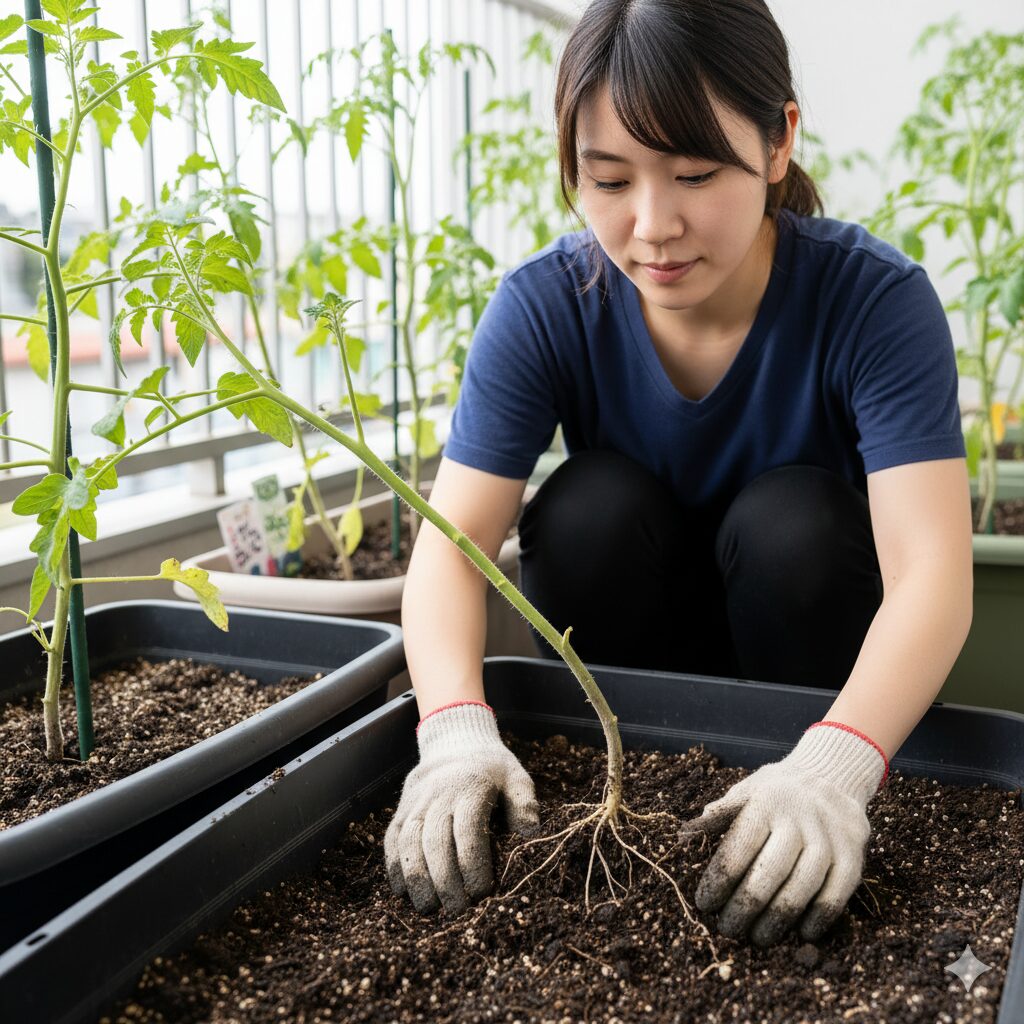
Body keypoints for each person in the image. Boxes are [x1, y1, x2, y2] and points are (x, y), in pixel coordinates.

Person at [385, 0, 973, 948]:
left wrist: (838, 765)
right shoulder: (545, 307)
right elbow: (451, 551)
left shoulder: (873, 302)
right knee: (585, 508)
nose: (653, 226)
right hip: (630, 711)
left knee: (794, 522)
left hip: (814, 695)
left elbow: (933, 574)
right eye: (609, 179)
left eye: (695, 174)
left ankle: (804, 797)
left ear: (779, 141)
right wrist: (452, 732)